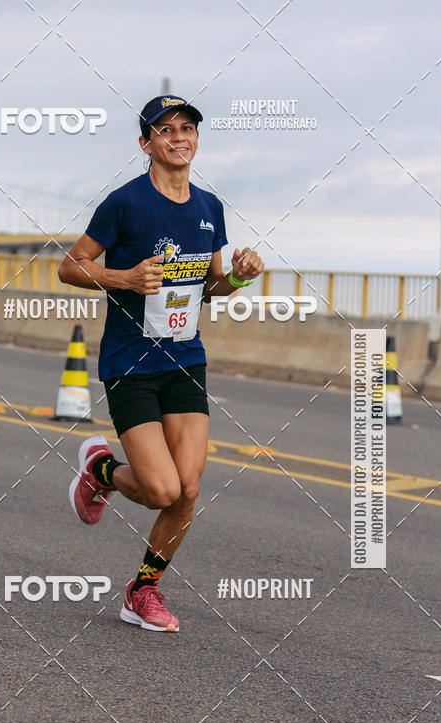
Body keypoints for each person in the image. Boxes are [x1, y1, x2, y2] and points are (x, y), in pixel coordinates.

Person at [59, 94, 263, 632]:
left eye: (187, 128)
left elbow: (211, 289)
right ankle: (100, 469)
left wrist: (239, 276)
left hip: (186, 360)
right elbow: (69, 266)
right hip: (130, 362)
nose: (179, 137)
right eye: (166, 130)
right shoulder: (124, 203)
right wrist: (125, 278)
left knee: (189, 489)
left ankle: (143, 591)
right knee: (161, 491)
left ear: (197, 138)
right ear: (146, 142)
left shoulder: (209, 207)